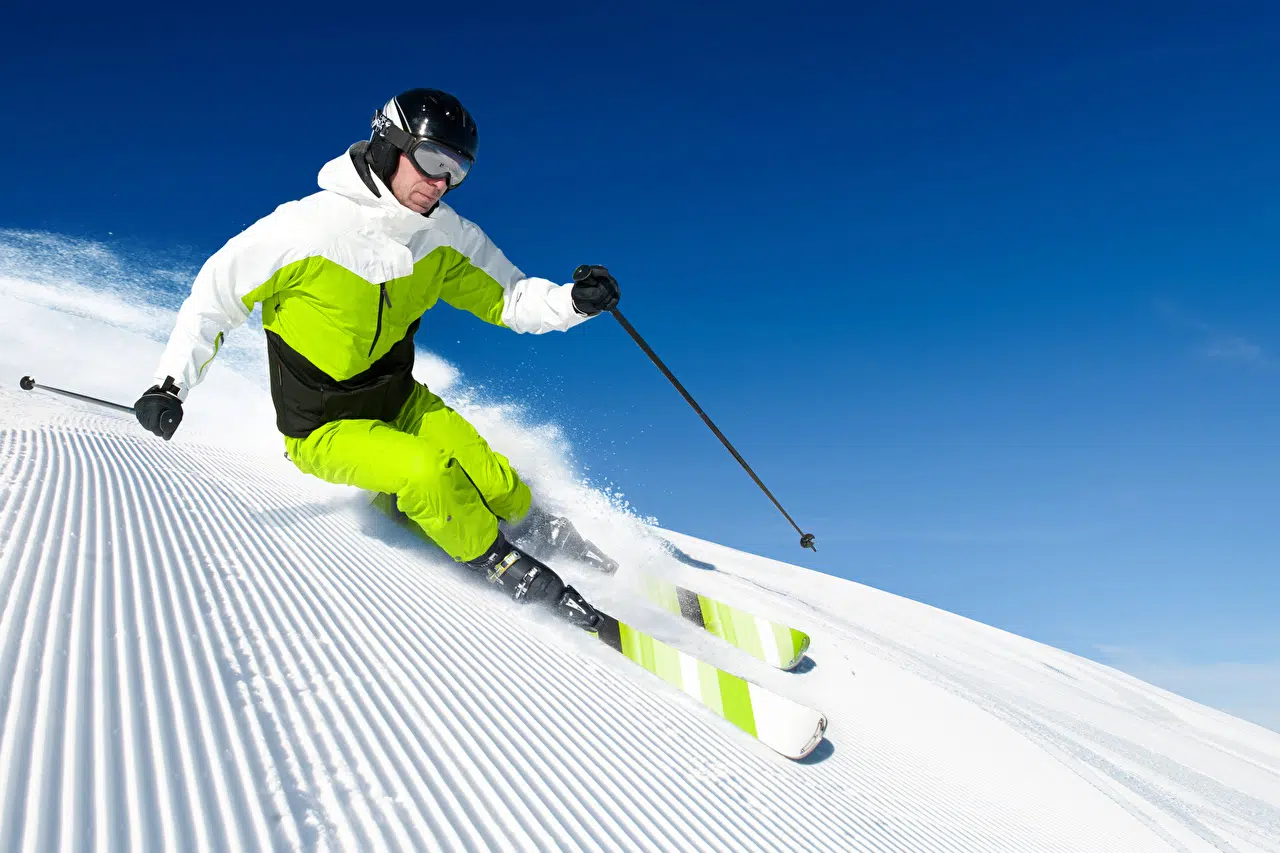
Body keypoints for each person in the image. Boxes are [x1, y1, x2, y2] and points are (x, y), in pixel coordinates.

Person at [135, 87, 619, 629]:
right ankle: (501, 562)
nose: (440, 183)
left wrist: (573, 302)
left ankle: (536, 527)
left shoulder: (444, 237)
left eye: (455, 171)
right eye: (433, 161)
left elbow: (510, 297)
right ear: (390, 145)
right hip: (323, 425)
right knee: (427, 473)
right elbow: (215, 296)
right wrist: (169, 383)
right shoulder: (304, 229)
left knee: (496, 481)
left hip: (399, 399)